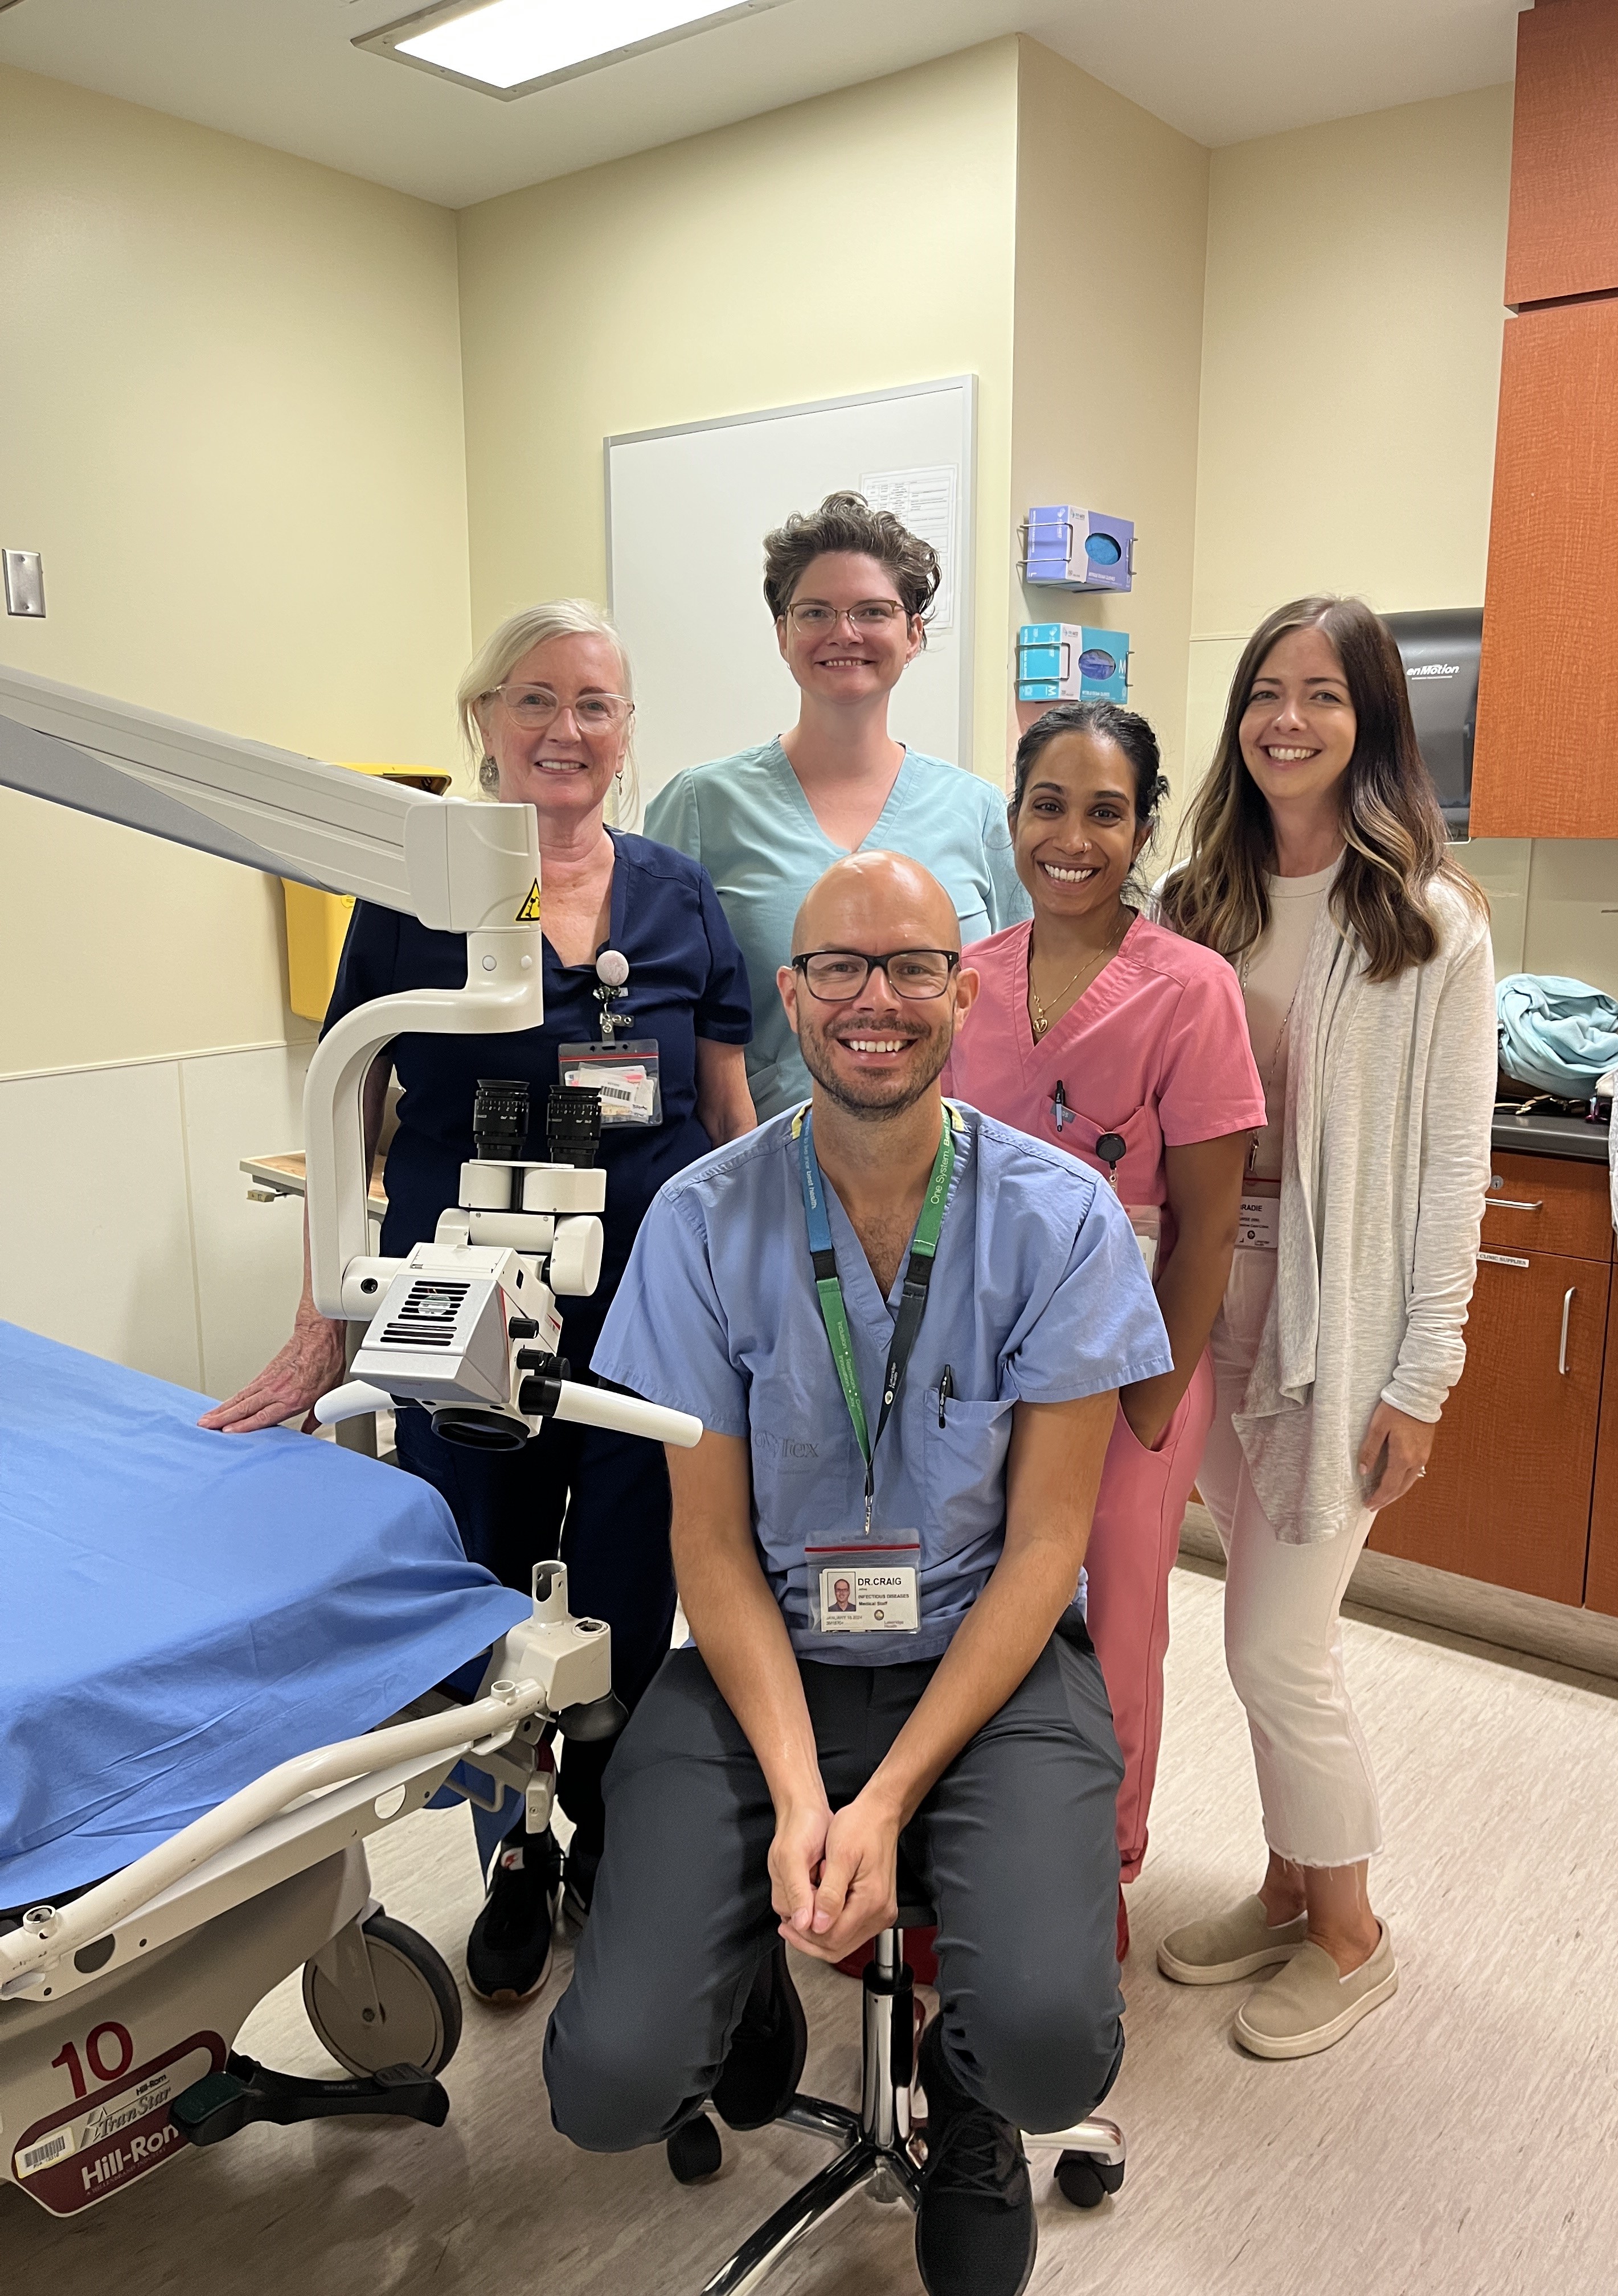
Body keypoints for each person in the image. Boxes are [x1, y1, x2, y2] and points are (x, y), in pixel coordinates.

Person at [544, 852, 1170, 2296]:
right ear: (789, 993)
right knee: (610, 2084)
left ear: (966, 991)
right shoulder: (702, 1223)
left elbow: (1044, 1549)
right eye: (838, 967)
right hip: (770, 1658)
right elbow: (708, 1544)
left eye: (910, 967)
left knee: (1050, 2041)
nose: (872, 1000)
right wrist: (800, 1798)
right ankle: (746, 1979)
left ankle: (966, 2106)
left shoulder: (1060, 1222)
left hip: (989, 1657)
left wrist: (878, 1804)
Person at [200, 599, 755, 2004]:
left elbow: (733, 1126)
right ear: (484, 722)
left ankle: (608, 1835)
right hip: (458, 1306)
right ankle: (516, 1840)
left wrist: (756, 1319)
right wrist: (326, 1317)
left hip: (645, 1311)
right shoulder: (409, 897)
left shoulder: (680, 897)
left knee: (630, 1583)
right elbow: (348, 1105)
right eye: (534, 699)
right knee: (478, 1578)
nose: (565, 729)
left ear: (630, 735)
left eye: (596, 704)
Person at [1152, 594, 1495, 2059]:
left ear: (1371, 724)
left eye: (1323, 696)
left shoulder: (1426, 918)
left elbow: (1452, 1168)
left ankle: (1353, 1934)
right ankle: (1290, 1885)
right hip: (1204, 1297)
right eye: (1264, 693)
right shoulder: (1199, 902)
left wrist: (1425, 1376)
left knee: (1280, 1642)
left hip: (1333, 1318)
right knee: (1249, 1628)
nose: (1287, 720)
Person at [944, 702, 1262, 1949]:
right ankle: (967, 1857)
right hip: (979, 1365)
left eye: (1106, 811)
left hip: (1130, 1369)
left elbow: (1208, 1222)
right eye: (1047, 805)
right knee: (977, 1599)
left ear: (1143, 830)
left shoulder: (1193, 991)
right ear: (1013, 817)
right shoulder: (970, 980)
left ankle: (1093, 1874)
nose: (1072, 836)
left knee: (1117, 1613)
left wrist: (1152, 1397)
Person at [646, 490, 1029, 1119]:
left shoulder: (980, 813)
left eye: (873, 611)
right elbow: (663, 1015)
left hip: (943, 1171)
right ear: (782, 633)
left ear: (914, 635)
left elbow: (1014, 1013)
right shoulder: (701, 806)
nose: (844, 633)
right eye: (816, 612)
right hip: (760, 1167)